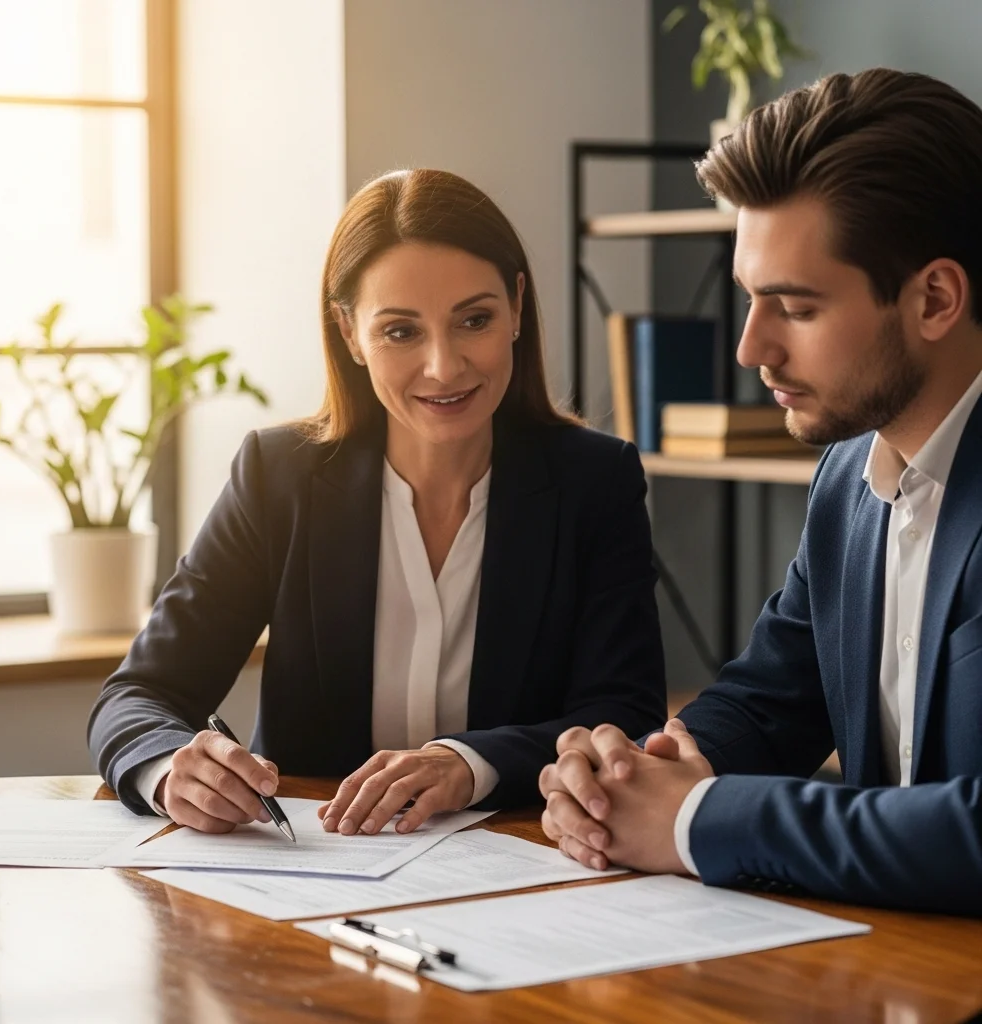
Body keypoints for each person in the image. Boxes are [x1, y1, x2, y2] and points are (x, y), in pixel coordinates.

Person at [88, 168, 666, 837]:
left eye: (473, 320)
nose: (444, 366)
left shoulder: (596, 480)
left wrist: (469, 763)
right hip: (312, 877)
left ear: (515, 307)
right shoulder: (279, 478)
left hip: (520, 868)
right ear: (349, 332)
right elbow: (138, 696)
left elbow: (623, 712)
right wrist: (169, 770)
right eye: (400, 332)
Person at [539, 68, 982, 916]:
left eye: (795, 308)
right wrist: (645, 773)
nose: (750, 349)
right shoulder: (848, 477)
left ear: (935, 298)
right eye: (750, 299)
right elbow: (774, 698)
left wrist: (696, 819)